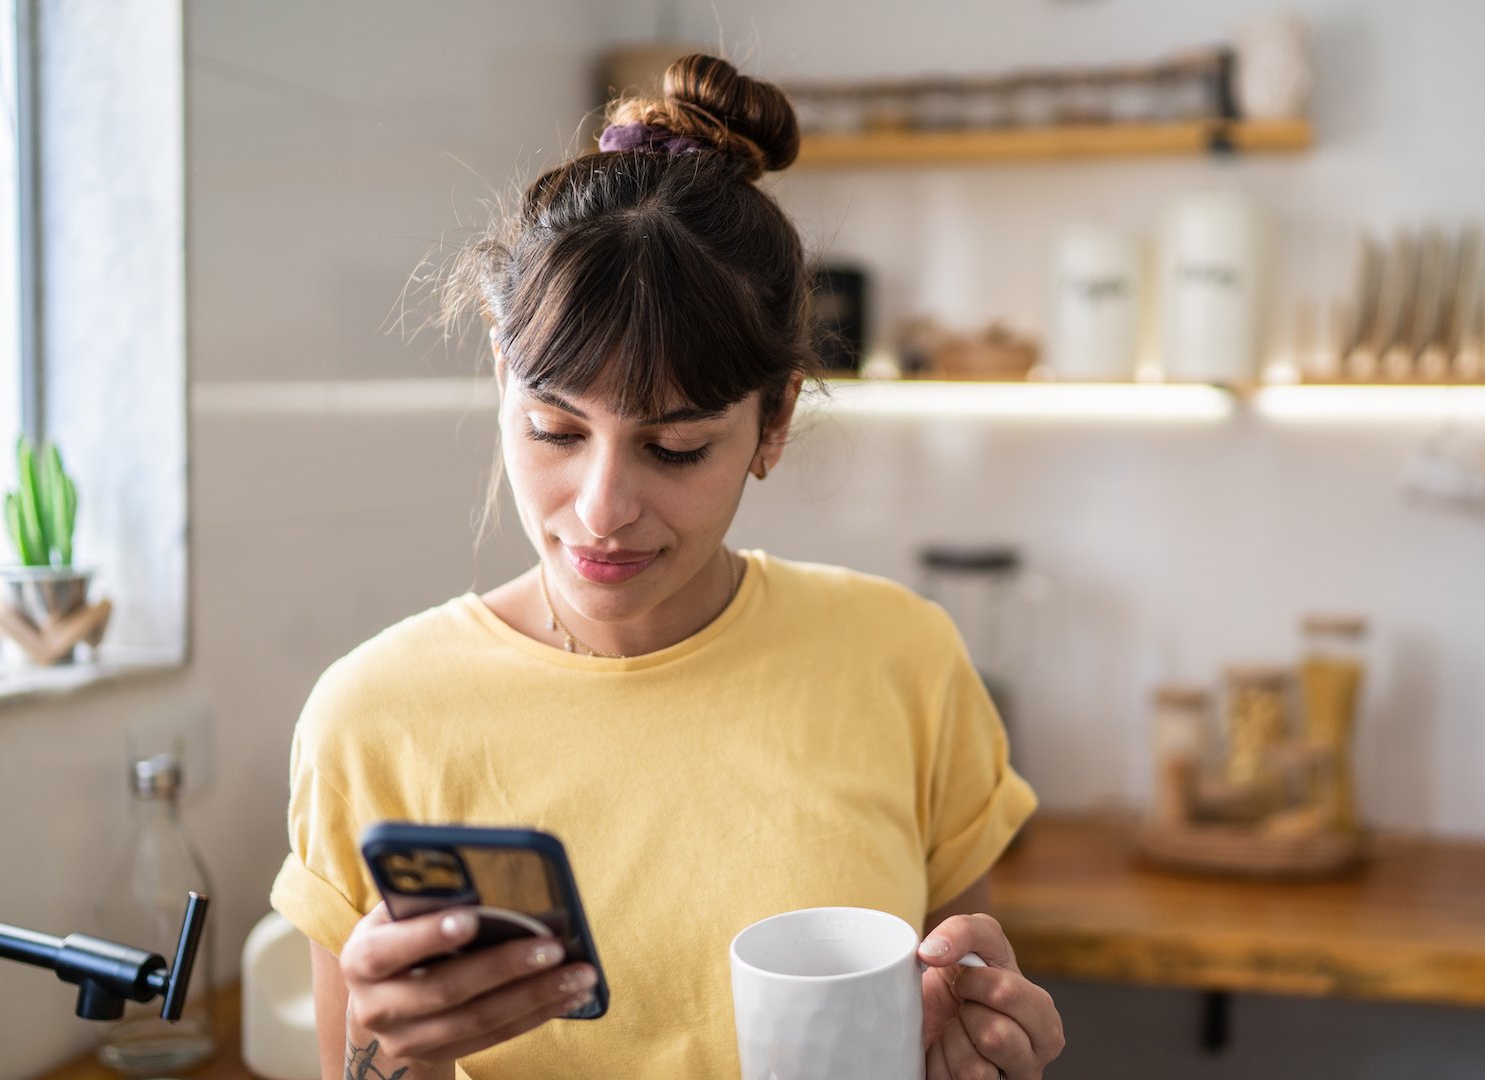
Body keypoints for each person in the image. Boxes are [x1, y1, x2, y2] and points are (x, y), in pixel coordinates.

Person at [270, 53, 1064, 1080]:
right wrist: (387, 1054)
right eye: (554, 430)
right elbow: (357, 1065)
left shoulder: (901, 661)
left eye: (675, 448)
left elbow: (946, 1017)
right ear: (499, 371)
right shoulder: (370, 719)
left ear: (773, 422)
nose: (601, 510)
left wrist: (991, 1049)